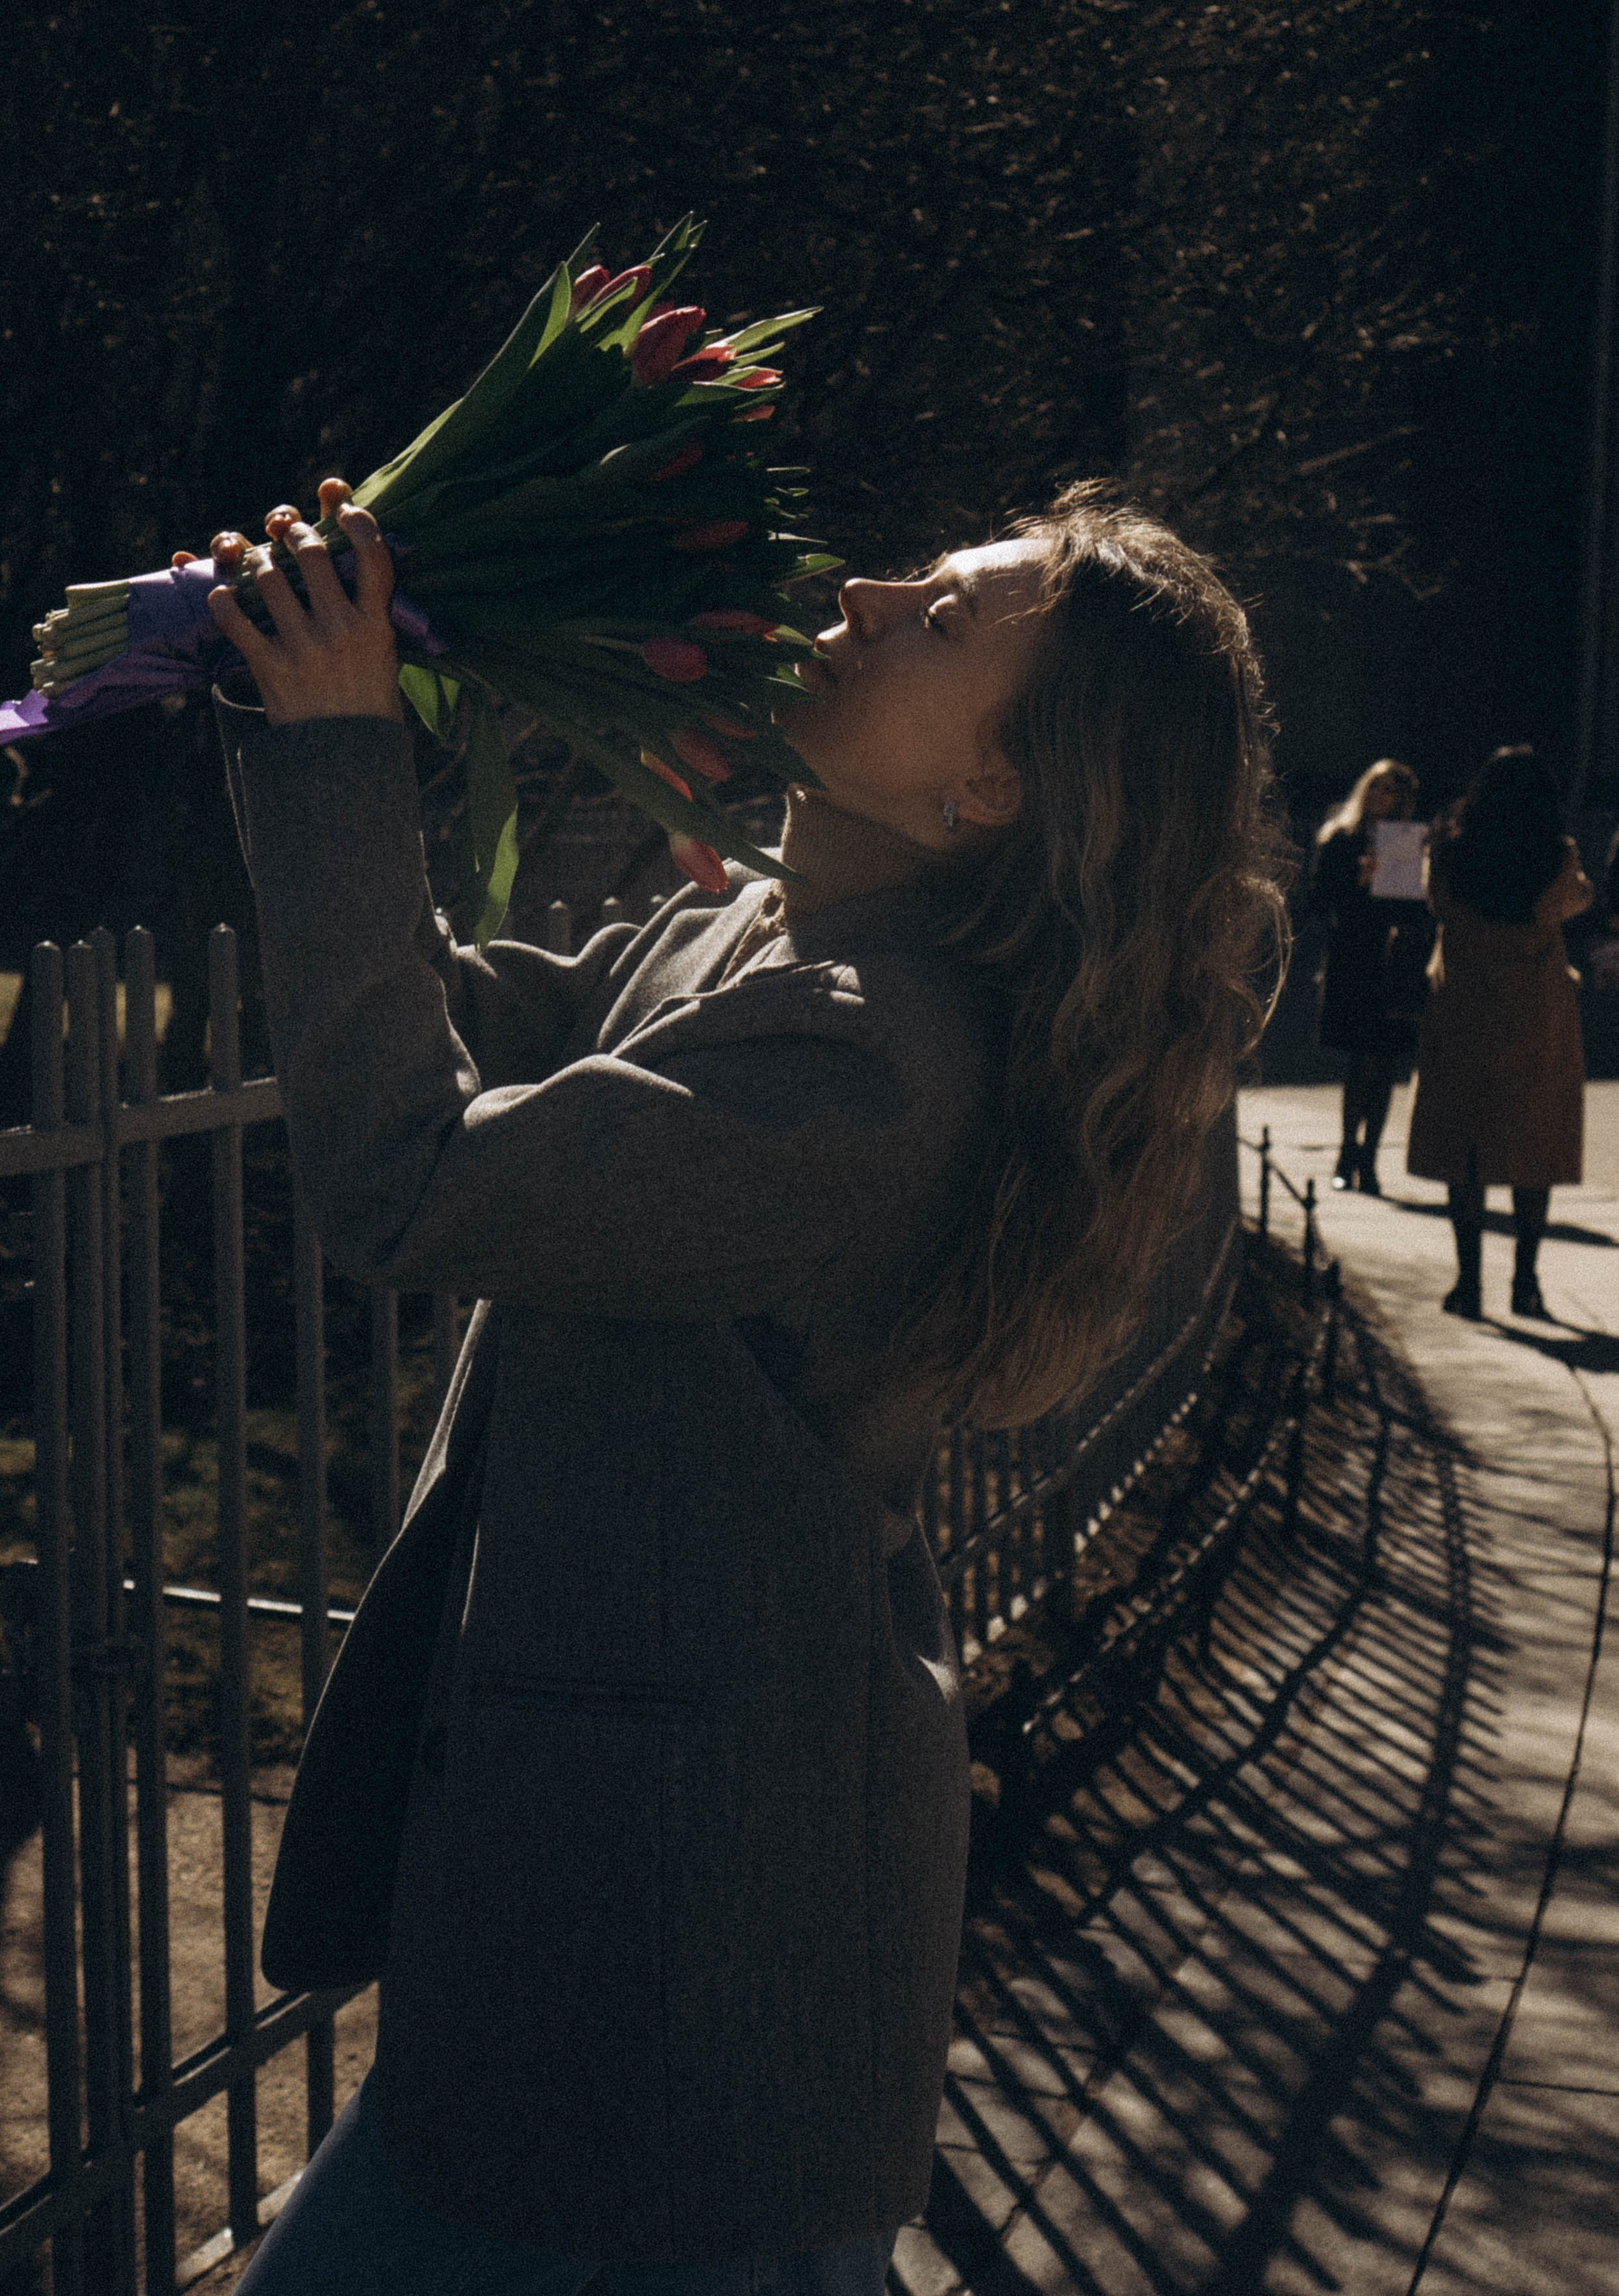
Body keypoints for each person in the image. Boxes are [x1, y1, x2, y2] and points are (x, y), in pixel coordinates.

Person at [204, 475, 1286, 2296]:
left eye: (938, 616)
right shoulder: (763, 936)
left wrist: (340, 757)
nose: (862, 592)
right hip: (625, 1931)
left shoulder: (873, 1066)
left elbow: (413, 1174)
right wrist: (281, 691)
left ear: (989, 790)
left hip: (687, 1967)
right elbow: (449, 1031)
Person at [1406, 746, 1592, 1320]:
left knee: (1465, 1147)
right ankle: (1526, 1283)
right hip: (1537, 1015)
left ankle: (1468, 1285)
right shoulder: (1556, 856)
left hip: (1465, 1013)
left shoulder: (1449, 852)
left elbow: (1437, 902)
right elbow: (1569, 902)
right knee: (1533, 1146)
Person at [1308, 757, 1429, 1193]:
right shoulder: (1341, 838)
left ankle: (1371, 1158)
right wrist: (1359, 880)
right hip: (1355, 958)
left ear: (1401, 800)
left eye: (1390, 790)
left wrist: (1417, 878)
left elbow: (1419, 913)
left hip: (1396, 962)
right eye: (1376, 786)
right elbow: (1318, 903)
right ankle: (1346, 1153)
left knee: (1387, 1063)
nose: (1380, 796)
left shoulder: (1408, 842)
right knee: (1361, 1060)